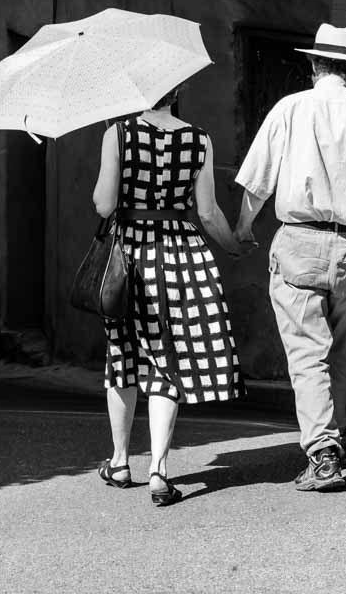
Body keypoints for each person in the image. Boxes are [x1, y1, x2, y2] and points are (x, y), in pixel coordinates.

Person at [234, 23, 346, 493]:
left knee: (307, 352)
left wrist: (243, 227)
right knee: (343, 345)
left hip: (300, 241)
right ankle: (339, 433)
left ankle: (323, 452)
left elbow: (257, 182)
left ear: (313, 64)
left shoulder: (290, 108)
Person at [91, 84, 246, 507]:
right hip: (182, 254)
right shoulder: (199, 138)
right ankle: (159, 468)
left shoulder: (117, 134)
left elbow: (104, 205)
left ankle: (121, 461)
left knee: (123, 354)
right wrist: (232, 246)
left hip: (131, 255)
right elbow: (208, 212)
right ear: (177, 90)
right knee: (166, 356)